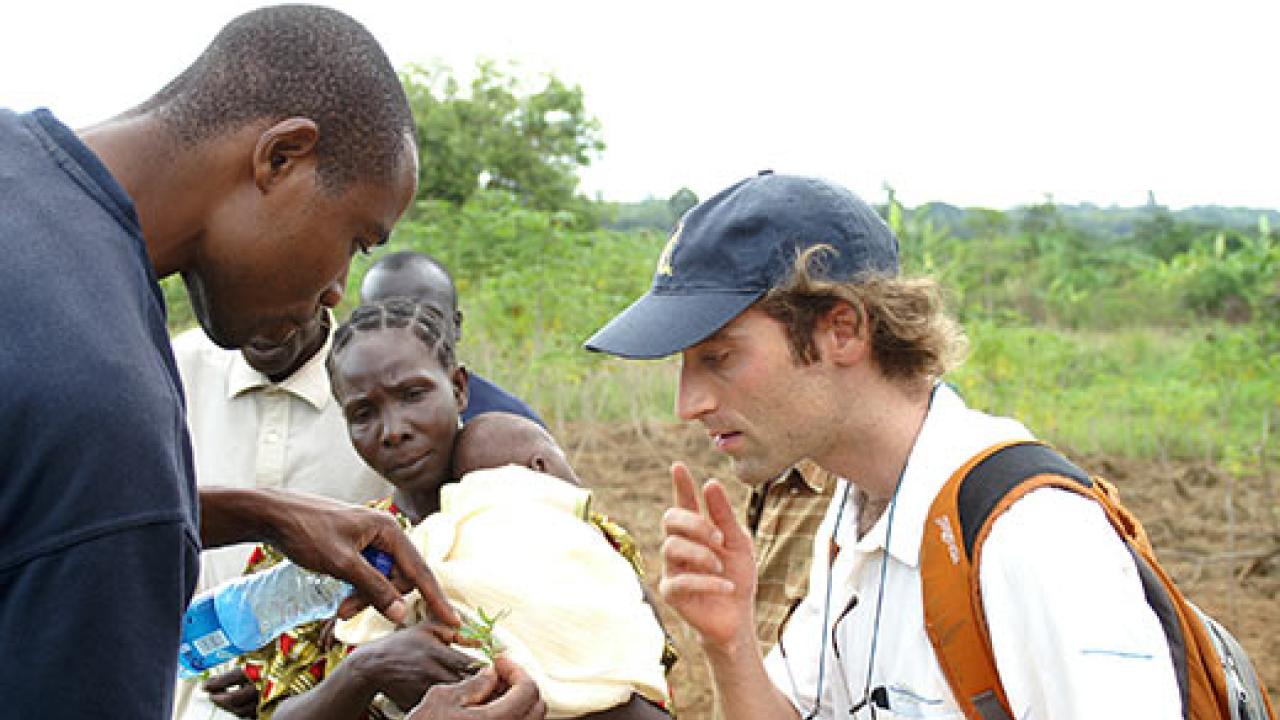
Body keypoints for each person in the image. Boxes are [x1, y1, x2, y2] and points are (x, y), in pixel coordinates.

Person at [0, 5, 541, 718]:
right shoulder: (105, 394)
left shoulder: (20, 170)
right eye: (356, 239)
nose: (338, 289)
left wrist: (257, 514)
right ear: (281, 156)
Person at [584, 171, 1182, 718]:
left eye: (719, 357)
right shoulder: (854, 520)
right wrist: (731, 643)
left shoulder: (1031, 536)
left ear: (841, 329)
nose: (689, 403)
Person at [237, 299, 667, 720]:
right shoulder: (325, 555)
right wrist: (367, 669)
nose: (394, 430)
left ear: (459, 388)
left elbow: (643, 678)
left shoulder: (570, 531)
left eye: (412, 395)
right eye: (364, 413)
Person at [170, 308, 394, 720]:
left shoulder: (374, 384)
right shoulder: (178, 368)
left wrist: (286, 676)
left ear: (330, 282)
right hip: (182, 682)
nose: (264, 316)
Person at [360, 250, 544, 426]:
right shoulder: (343, 415)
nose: (409, 338)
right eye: (387, 322)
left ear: (455, 326)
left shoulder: (511, 423)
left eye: (427, 320)